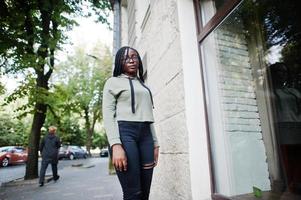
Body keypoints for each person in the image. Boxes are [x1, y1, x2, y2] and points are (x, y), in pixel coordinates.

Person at [102, 46, 159, 200]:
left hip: (146, 135)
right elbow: (108, 115)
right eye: (126, 58)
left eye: (134, 57)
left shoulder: (142, 84)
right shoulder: (112, 82)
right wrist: (115, 145)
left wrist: (155, 143)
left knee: (145, 193)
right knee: (133, 193)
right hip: (125, 134)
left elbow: (149, 115)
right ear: (119, 62)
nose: (132, 60)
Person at [270, 62, 301, 193]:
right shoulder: (269, 92)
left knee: (298, 158)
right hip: (282, 128)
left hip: (297, 127)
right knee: (285, 159)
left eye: (284, 72)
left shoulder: (294, 91)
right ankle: (289, 186)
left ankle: (297, 184)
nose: (282, 74)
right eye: (278, 71)